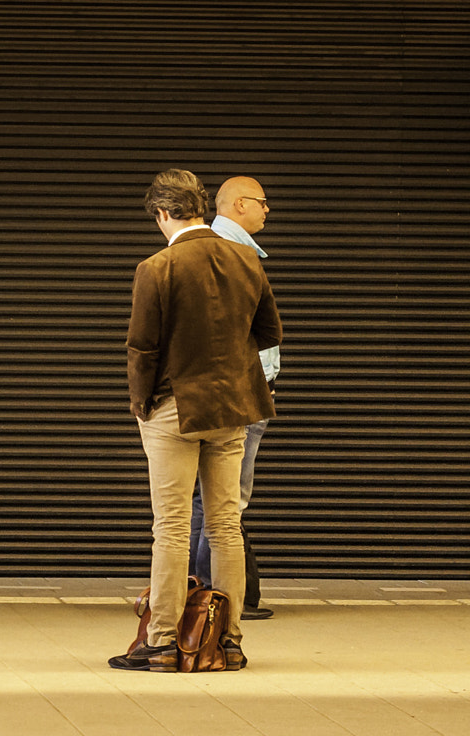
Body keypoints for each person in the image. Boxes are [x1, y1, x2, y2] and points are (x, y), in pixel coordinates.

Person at [113, 168, 280, 673]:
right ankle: (227, 639)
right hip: (232, 408)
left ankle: (163, 642)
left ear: (163, 213)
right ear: (201, 207)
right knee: (227, 523)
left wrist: (140, 403)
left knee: (171, 528)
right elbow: (268, 330)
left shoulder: (157, 267)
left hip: (174, 409)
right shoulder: (245, 259)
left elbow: (143, 347)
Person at [192, 176, 280, 620]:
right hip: (239, 393)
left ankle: (200, 593)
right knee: (226, 501)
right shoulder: (235, 254)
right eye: (263, 202)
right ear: (240, 204)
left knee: (203, 500)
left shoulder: (216, 250)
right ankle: (216, 597)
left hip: (220, 390)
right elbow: (259, 327)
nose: (268, 210)